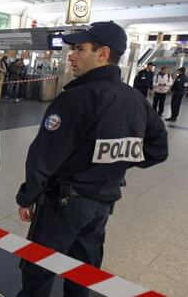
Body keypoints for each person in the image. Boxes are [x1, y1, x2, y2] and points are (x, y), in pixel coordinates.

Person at [16, 21, 168, 297]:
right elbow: (158, 150)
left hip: (63, 205)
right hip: (102, 204)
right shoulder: (135, 100)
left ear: (103, 53)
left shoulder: (77, 98)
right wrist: (116, 162)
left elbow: (44, 156)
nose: (71, 55)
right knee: (84, 273)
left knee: (38, 270)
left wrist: (27, 197)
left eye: (79, 49)